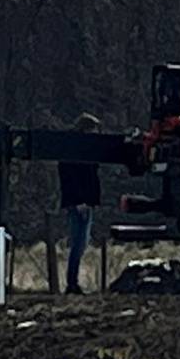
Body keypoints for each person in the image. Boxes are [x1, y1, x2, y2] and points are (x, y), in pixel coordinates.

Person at [58, 114, 101, 294]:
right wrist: (80, 200)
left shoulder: (75, 149)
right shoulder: (77, 151)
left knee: (80, 242)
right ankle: (72, 283)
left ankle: (72, 282)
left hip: (81, 201)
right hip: (80, 202)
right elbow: (73, 178)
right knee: (79, 242)